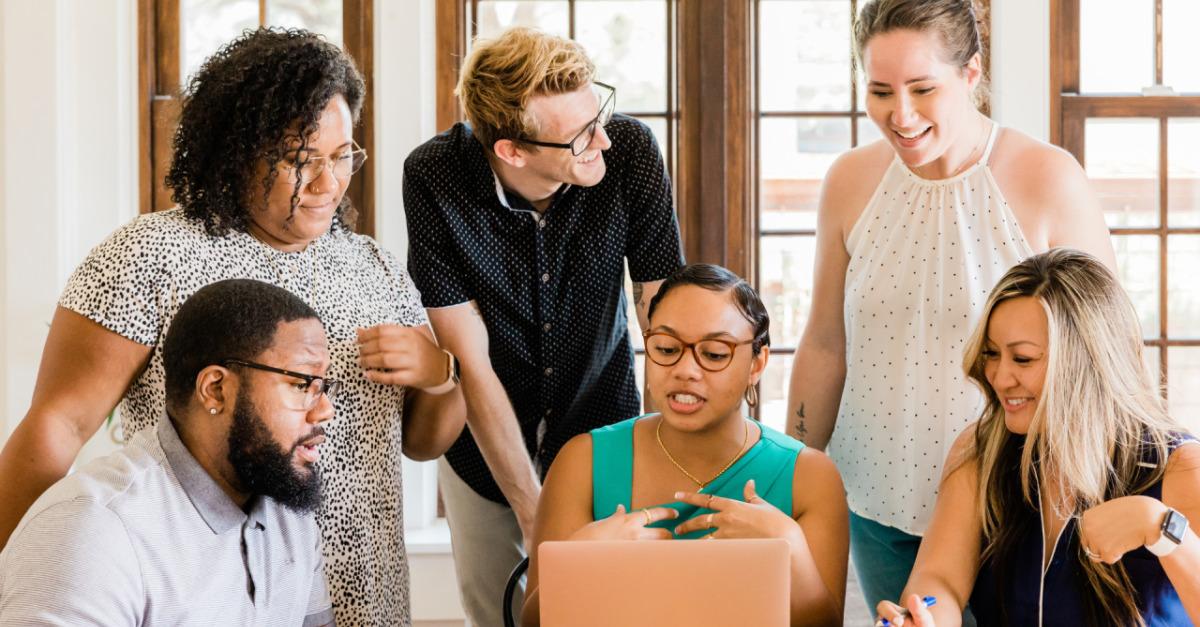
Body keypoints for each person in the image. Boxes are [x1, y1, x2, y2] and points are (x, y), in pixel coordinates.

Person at [0, 29, 464, 626]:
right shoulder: (149, 254)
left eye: (343, 154)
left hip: (363, 593)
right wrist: (17, 566)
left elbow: (423, 443)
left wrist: (441, 376)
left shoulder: (372, 266)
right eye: (302, 161)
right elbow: (56, 425)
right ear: (239, 150)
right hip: (209, 588)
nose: (330, 183)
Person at [784, 0, 1118, 616]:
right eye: (880, 91)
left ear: (971, 73)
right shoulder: (849, 181)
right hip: (878, 503)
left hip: (1016, 504)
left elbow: (1108, 351)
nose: (900, 114)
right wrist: (793, 470)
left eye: (922, 88)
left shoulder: (1048, 177)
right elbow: (827, 342)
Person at [403, 26, 684, 625]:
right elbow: (466, 357)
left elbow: (664, 322)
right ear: (512, 150)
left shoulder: (629, 151)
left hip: (601, 422)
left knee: (613, 611)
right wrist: (535, 516)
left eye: (598, 116)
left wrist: (671, 457)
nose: (601, 140)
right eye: (580, 136)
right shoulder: (434, 177)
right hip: (480, 447)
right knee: (498, 611)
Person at [874, 249, 1200, 626]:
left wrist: (1160, 528)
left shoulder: (1178, 467)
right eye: (992, 354)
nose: (999, 377)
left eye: (1023, 359)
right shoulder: (981, 450)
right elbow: (940, 578)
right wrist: (926, 617)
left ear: (1088, 359)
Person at [522, 264, 849, 627]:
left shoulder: (812, 477)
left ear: (757, 363)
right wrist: (580, 564)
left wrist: (791, 551)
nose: (685, 370)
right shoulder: (582, 460)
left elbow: (824, 624)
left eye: (713, 354)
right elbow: (534, 622)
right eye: (666, 347)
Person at [0, 279, 336, 625]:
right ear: (216, 390)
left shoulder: (291, 519)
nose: (325, 409)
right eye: (301, 384)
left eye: (324, 386)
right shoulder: (91, 530)